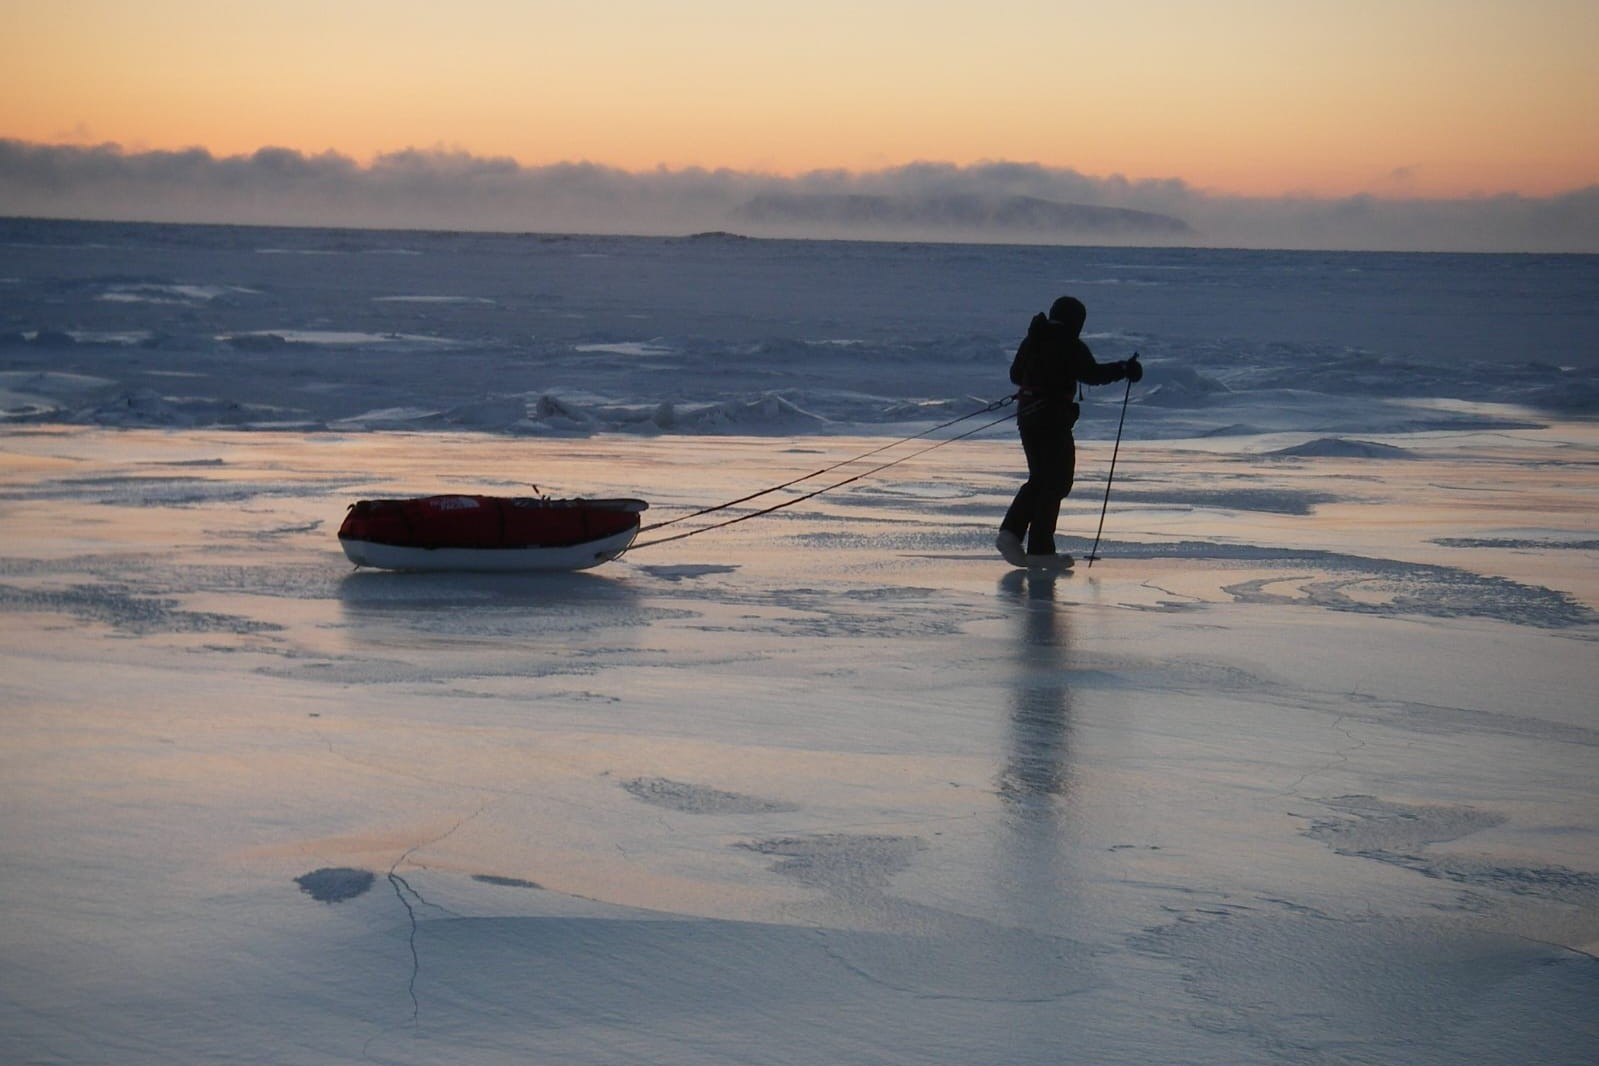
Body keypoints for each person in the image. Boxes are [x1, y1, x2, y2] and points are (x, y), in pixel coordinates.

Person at [997, 296, 1141, 568]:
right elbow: (1091, 374)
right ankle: (1035, 547)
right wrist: (1124, 369)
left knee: (1041, 478)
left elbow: (1016, 376)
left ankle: (1013, 535)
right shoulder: (1069, 343)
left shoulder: (1034, 338)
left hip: (1028, 417)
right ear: (1076, 321)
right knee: (1057, 481)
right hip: (1051, 419)